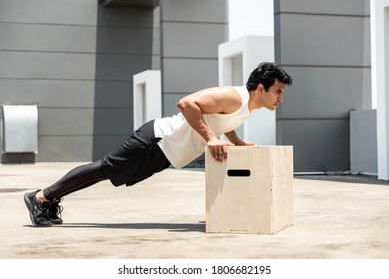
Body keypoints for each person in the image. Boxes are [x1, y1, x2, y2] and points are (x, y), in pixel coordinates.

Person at [23, 62, 292, 227]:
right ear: (261, 88)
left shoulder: (246, 107)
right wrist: (211, 138)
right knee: (104, 169)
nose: (281, 97)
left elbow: (225, 122)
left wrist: (238, 141)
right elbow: (187, 103)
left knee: (106, 173)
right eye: (278, 91)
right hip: (156, 140)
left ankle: (47, 199)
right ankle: (41, 197)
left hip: (163, 150)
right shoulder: (233, 96)